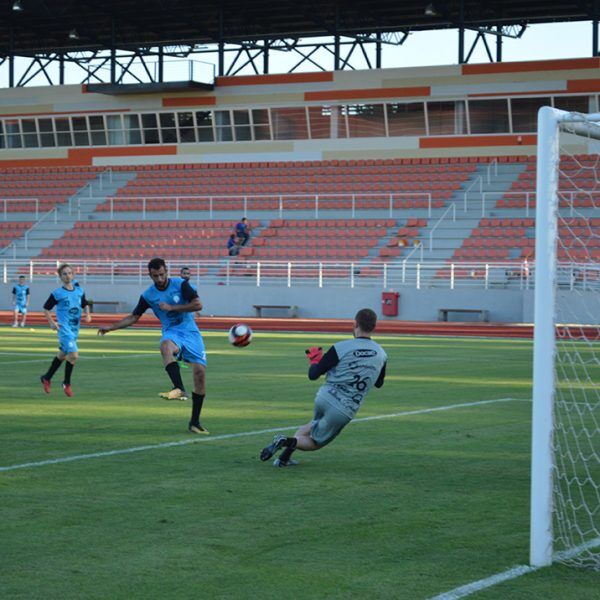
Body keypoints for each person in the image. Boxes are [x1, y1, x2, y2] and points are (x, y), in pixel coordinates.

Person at [259, 308, 387, 467]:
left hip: (324, 396)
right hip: (344, 408)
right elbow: (379, 383)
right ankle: (284, 441)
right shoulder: (381, 353)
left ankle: (283, 459)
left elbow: (313, 375)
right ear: (374, 326)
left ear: (354, 324)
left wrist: (314, 360)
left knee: (311, 425)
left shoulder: (340, 347)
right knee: (314, 443)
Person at [97, 257, 209, 435]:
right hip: (172, 332)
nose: (159, 279)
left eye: (162, 275)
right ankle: (179, 388)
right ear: (150, 275)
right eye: (155, 276)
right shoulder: (148, 295)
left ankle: (194, 422)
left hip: (191, 333)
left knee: (200, 375)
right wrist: (110, 328)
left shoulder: (181, 285)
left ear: (167, 271)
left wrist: (172, 308)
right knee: (165, 346)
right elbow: (134, 317)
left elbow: (198, 305)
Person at [40, 263, 92, 397]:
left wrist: (87, 314)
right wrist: (51, 323)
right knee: (74, 355)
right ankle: (66, 383)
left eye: (69, 273)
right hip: (64, 329)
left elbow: (85, 303)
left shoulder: (79, 290)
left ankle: (46, 377)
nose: (67, 276)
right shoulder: (57, 293)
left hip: (75, 328)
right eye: (64, 274)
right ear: (60, 277)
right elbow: (46, 308)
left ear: (73, 275)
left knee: (63, 354)